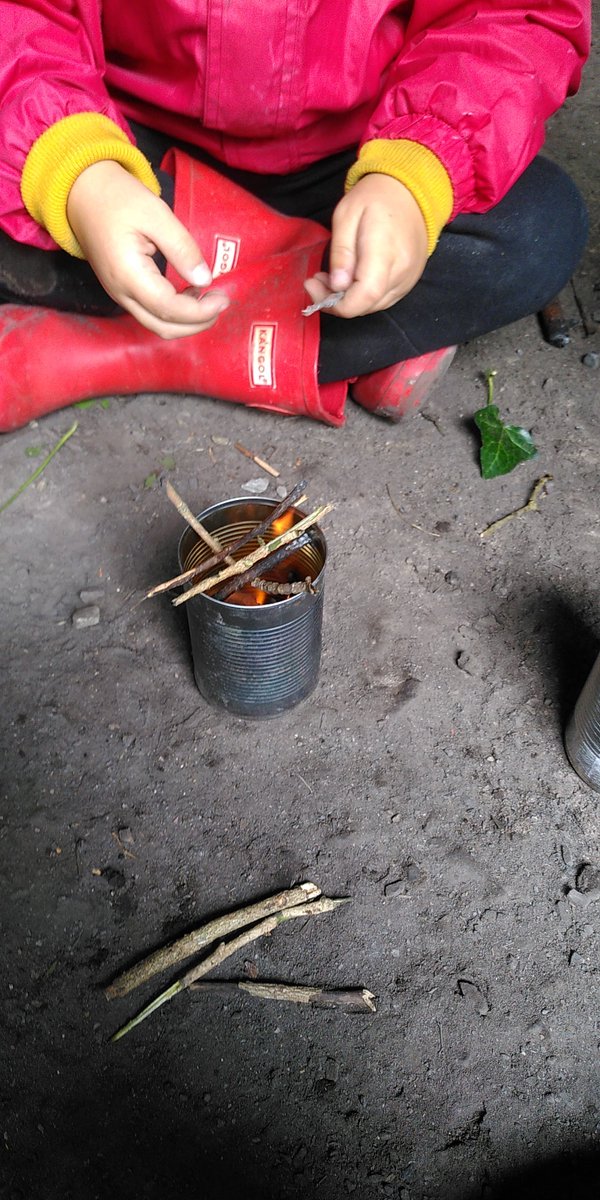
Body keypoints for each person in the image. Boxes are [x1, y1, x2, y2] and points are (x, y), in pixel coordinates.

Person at [0, 0, 591, 432]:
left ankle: (117, 348)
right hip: (123, 141)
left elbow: (515, 15)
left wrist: (419, 170)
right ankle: (349, 337)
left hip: (365, 151)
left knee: (536, 231)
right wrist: (74, 170)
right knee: (24, 176)